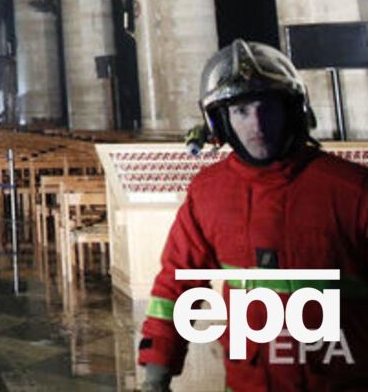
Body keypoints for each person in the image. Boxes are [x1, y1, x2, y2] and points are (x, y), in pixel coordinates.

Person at [138, 39, 368, 391]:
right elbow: (176, 286)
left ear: (292, 111)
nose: (257, 124)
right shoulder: (208, 192)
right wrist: (156, 373)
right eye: (241, 112)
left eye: (267, 107)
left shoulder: (351, 189)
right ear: (221, 123)